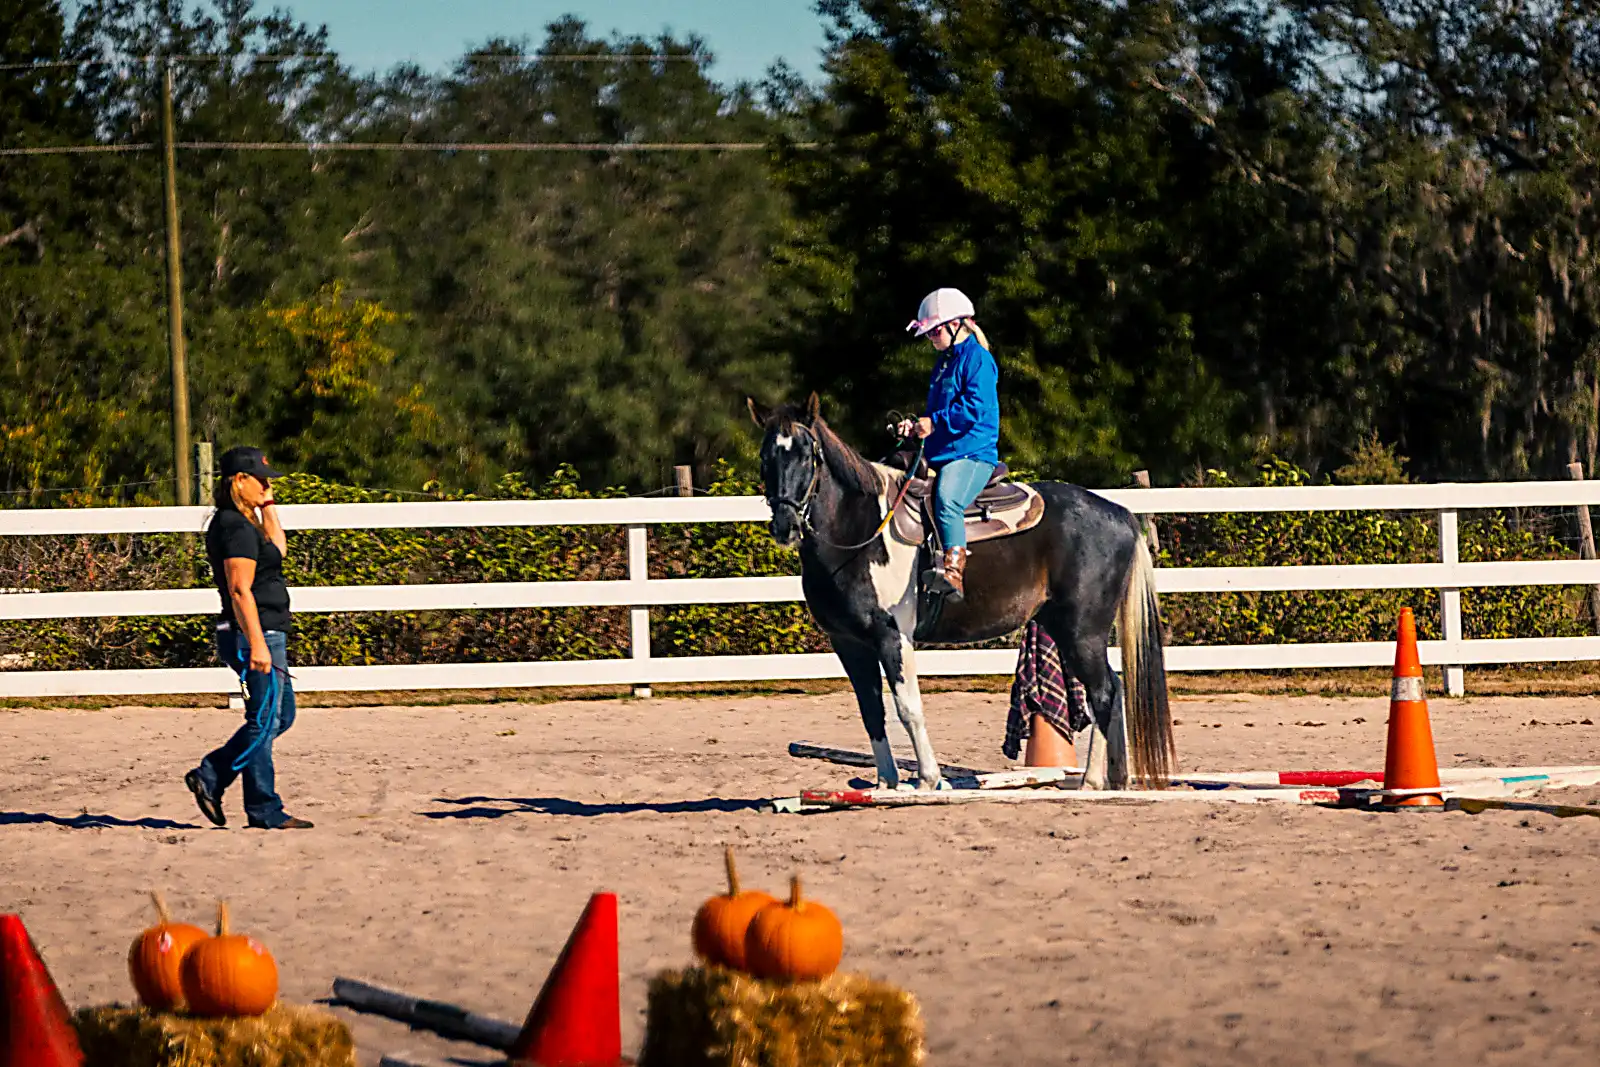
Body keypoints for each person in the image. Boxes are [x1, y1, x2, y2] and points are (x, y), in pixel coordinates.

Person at [183, 446, 313, 830]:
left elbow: (279, 549)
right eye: (262, 480)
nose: (267, 486)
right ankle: (251, 800)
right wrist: (256, 643)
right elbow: (240, 590)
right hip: (256, 634)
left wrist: (267, 504)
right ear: (239, 480)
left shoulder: (245, 522)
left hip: (266, 632)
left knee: (279, 717)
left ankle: (226, 783)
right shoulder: (233, 527)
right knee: (262, 721)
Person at [898, 287, 1001, 602]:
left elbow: (975, 408)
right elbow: (938, 413)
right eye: (928, 334)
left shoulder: (979, 360)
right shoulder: (944, 362)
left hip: (973, 453)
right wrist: (916, 426)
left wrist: (935, 422)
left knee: (946, 500)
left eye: (936, 331)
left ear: (958, 325)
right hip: (943, 450)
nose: (932, 338)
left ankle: (953, 570)